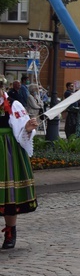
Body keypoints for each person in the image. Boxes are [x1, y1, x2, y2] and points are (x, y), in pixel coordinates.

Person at [0, 76, 38, 249]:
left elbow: (22, 131)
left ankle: (10, 231)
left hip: (7, 151)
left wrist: (28, 129)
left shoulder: (14, 105)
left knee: (9, 196)